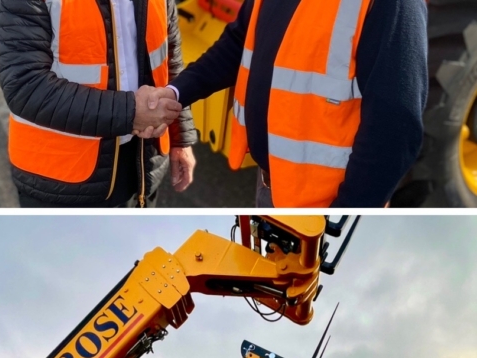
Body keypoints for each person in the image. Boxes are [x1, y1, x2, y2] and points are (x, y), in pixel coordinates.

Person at [138, 0, 427, 207]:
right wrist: (175, 93)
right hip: (271, 186)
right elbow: (238, 41)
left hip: (324, 205)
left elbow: (395, 129)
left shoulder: (394, 6)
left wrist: (343, 214)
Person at [0, 0, 197, 208]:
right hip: (60, 181)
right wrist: (131, 113)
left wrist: (180, 137)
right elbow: (26, 86)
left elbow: (168, 55)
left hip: (142, 165)